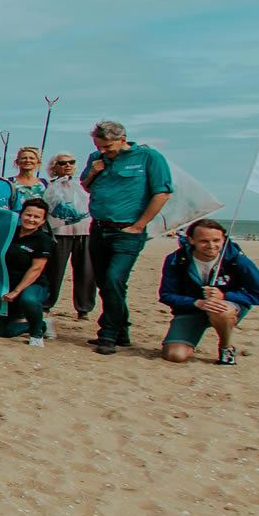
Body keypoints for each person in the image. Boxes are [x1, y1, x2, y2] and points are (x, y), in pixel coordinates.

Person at [80, 120, 174, 354]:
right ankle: (122, 330)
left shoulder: (148, 157)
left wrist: (139, 225)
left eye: (108, 147)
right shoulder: (96, 157)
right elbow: (86, 186)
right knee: (105, 283)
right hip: (99, 227)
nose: (103, 151)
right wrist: (93, 171)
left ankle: (108, 334)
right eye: (99, 146)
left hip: (126, 231)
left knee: (114, 279)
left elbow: (162, 192)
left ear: (122, 140)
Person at [159, 219, 259, 366]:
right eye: (204, 241)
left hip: (226, 308)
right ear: (191, 240)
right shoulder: (176, 260)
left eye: (216, 240)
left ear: (224, 239)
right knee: (174, 355)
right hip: (191, 309)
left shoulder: (238, 261)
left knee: (220, 309)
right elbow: (166, 295)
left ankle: (226, 347)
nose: (211, 246)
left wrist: (225, 296)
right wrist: (197, 302)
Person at [0, 198, 57, 346]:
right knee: (2, 331)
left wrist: (16, 291)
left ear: (42, 221)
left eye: (36, 217)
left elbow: (36, 269)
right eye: (28, 215)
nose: (31, 219)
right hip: (7, 286)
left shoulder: (43, 240)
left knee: (29, 299)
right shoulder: (9, 234)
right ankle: (40, 323)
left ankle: (36, 334)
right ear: (21, 215)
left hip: (32, 285)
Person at [41, 152, 96, 319]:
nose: (67, 165)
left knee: (86, 270)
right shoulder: (49, 186)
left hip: (84, 230)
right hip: (60, 232)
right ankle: (46, 303)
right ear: (54, 166)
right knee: (54, 269)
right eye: (62, 163)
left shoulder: (82, 184)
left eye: (71, 162)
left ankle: (84, 307)